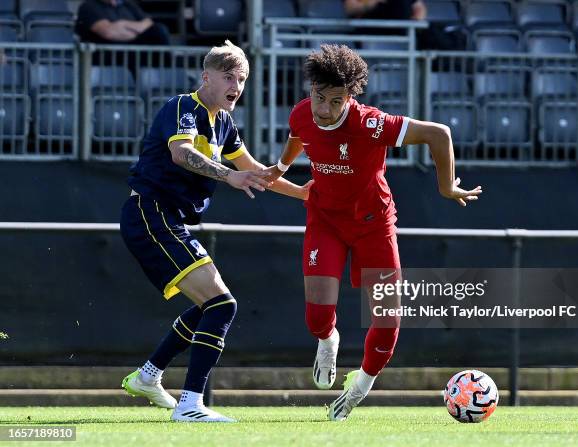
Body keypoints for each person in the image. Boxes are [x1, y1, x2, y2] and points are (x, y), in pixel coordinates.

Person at [266, 44, 482, 421]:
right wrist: (282, 165)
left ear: (350, 97)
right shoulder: (302, 113)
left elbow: (439, 134)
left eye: (336, 101)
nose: (326, 110)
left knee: (386, 324)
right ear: (310, 90)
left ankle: (358, 389)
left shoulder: (370, 123)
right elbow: (298, 135)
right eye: (320, 98)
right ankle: (328, 341)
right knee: (317, 318)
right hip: (325, 220)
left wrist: (446, 187)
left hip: (373, 226)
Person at [120, 40, 311, 423]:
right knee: (223, 305)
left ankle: (148, 376)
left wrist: (303, 193)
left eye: (242, 79)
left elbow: (255, 172)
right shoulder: (182, 107)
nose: (236, 86)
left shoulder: (224, 122)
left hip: (168, 218)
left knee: (211, 306)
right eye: (228, 77)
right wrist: (228, 175)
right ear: (206, 77)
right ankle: (190, 404)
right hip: (150, 213)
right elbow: (182, 154)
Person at [76, 0, 170, 45]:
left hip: (135, 51)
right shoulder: (89, 6)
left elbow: (148, 23)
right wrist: (139, 31)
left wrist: (123, 24)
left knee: (159, 30)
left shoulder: (128, 5)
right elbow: (109, 32)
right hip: (109, 56)